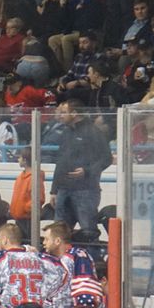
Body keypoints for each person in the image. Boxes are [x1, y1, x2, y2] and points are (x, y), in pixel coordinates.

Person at [48, 98, 112, 245]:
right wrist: (54, 190)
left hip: (85, 190)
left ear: (75, 113)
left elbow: (106, 158)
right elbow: (61, 163)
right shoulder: (65, 132)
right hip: (64, 189)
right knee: (58, 230)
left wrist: (87, 171)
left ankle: (93, 261)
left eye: (64, 112)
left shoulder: (93, 131)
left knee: (88, 229)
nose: (61, 115)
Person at [41, 221, 105, 308]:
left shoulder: (78, 255)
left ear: (57, 241)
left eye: (46, 239)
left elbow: (85, 286)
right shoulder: (49, 259)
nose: (44, 243)